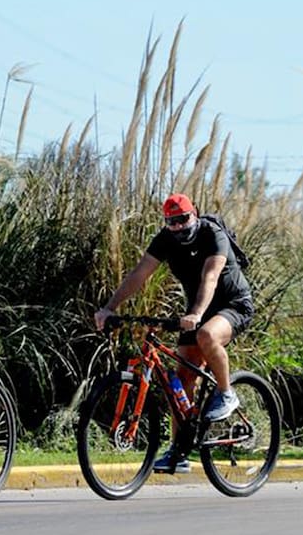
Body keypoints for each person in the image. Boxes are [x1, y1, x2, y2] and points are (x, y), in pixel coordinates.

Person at [94, 193, 254, 473]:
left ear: (194, 215)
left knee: (207, 335)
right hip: (195, 311)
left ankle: (226, 392)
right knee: (180, 381)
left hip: (232, 305)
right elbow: (139, 275)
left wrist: (196, 314)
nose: (178, 226)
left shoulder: (212, 234)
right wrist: (109, 307)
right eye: (171, 222)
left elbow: (211, 277)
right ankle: (178, 452)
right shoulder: (165, 239)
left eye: (182, 220)